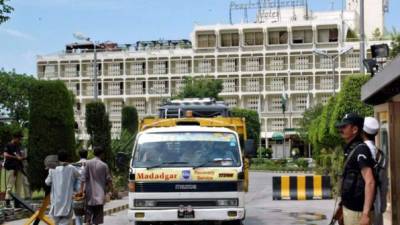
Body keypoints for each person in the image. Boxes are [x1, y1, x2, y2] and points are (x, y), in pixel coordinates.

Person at [336, 113, 376, 225]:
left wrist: (365, 214)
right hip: (349, 208)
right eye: (340, 127)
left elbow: (370, 182)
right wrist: (342, 207)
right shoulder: (351, 149)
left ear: (354, 129)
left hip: (358, 211)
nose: (340, 129)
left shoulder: (361, 150)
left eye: (344, 127)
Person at [45, 151, 80, 225]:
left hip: (56, 201)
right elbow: (80, 176)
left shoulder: (52, 168)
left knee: (56, 221)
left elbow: (47, 182)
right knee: (65, 220)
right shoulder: (71, 168)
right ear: (67, 158)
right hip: (67, 201)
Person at [81, 146, 112, 225]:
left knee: (88, 217)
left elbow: (83, 179)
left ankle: (88, 222)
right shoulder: (104, 165)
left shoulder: (87, 163)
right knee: (97, 219)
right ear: (102, 154)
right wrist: (111, 190)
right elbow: (109, 180)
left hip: (89, 195)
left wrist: (81, 191)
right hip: (100, 195)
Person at [3, 131, 31, 207]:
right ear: (15, 138)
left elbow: (19, 157)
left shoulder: (18, 146)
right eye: (19, 139)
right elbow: (5, 155)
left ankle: (17, 203)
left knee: (19, 187)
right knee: (10, 186)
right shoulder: (9, 145)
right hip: (11, 168)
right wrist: (16, 157)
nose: (20, 140)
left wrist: (23, 158)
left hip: (19, 168)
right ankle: (7, 202)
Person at [73, 149, 88, 225]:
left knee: (78, 215)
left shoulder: (74, 165)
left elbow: (73, 179)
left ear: (79, 155)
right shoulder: (90, 164)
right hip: (89, 192)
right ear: (87, 154)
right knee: (89, 213)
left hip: (78, 193)